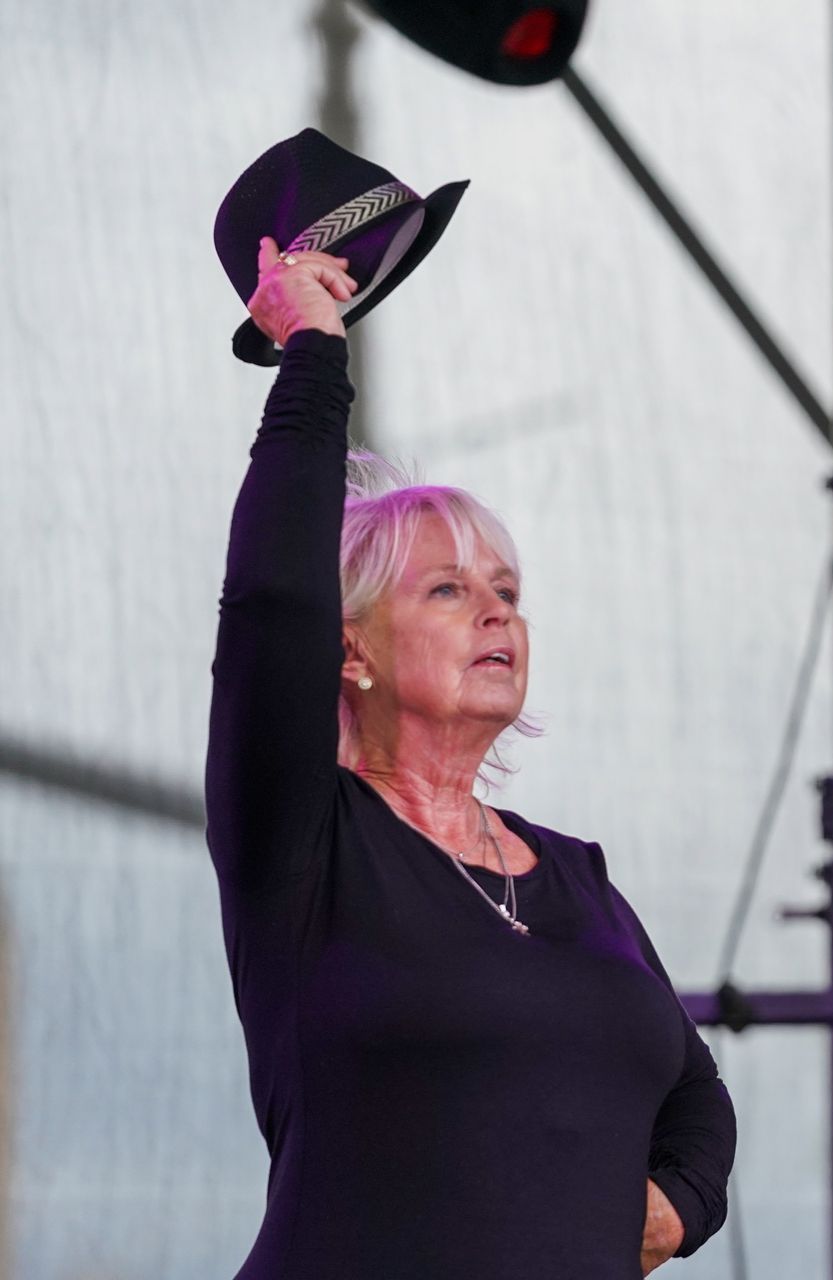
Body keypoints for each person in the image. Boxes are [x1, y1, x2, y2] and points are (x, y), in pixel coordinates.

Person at [207, 239, 734, 1277]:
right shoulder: (306, 839)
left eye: (508, 589)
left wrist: (676, 1207)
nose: (496, 609)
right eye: (447, 589)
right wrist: (314, 359)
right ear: (348, 647)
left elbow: (693, 1093)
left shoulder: (574, 875)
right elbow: (271, 605)